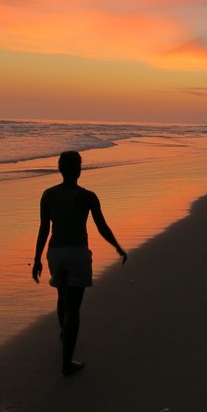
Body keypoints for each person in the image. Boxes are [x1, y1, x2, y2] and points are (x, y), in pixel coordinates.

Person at [32, 151, 127, 376]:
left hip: (55, 253)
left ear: (60, 169)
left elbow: (44, 228)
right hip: (77, 254)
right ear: (79, 170)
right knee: (73, 308)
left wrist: (37, 259)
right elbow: (101, 226)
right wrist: (117, 246)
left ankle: (65, 334)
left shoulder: (48, 195)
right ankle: (67, 363)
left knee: (61, 297)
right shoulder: (87, 196)